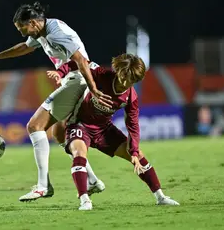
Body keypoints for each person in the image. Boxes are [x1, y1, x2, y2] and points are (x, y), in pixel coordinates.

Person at [0, 2, 110, 201]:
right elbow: (25, 47)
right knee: (61, 133)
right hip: (72, 80)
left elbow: (81, 60)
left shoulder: (55, 32)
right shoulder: (43, 31)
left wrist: (94, 89)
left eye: (23, 28)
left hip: (77, 80)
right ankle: (92, 180)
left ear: (34, 23)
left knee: (35, 126)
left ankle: (43, 186)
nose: (22, 33)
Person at [47, 53, 180, 210]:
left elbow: (133, 125)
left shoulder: (131, 97)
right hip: (80, 124)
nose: (125, 83)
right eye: (124, 77)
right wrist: (60, 73)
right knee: (79, 153)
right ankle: (85, 200)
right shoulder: (102, 74)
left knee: (139, 157)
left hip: (104, 130)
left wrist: (135, 152)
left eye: (131, 81)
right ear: (118, 71)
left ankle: (161, 197)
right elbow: (80, 62)